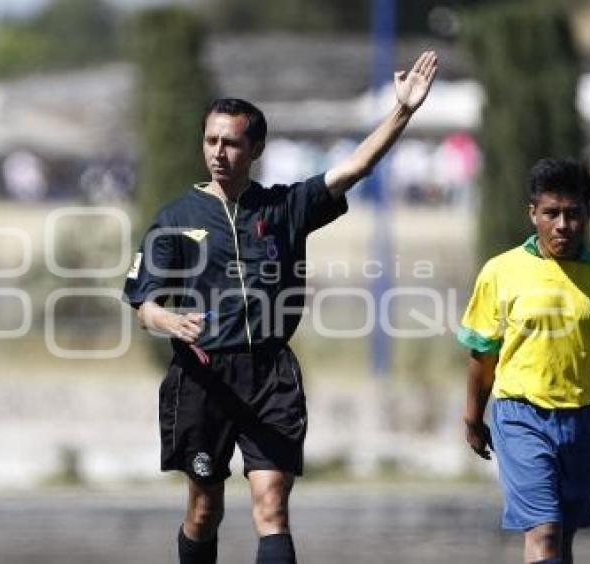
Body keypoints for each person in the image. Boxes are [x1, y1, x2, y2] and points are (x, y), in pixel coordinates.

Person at [123, 52, 437, 564]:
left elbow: (355, 167)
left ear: (257, 148)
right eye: (211, 140)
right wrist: (170, 321)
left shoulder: (285, 207)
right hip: (204, 377)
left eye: (231, 142)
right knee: (204, 510)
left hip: (271, 376)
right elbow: (144, 304)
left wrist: (401, 112)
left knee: (272, 506)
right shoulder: (175, 217)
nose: (219, 152)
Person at [457, 158, 590, 564]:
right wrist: (472, 418)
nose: (562, 225)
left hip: (583, 420)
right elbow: (483, 356)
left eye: (573, 214)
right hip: (521, 416)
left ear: (588, 213)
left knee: (563, 539)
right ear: (533, 213)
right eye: (551, 213)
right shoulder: (501, 272)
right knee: (544, 535)